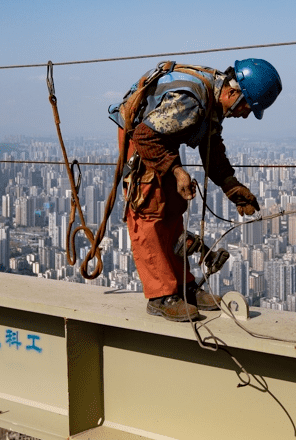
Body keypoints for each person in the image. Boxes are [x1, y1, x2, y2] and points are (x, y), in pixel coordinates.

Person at [108, 59, 282, 321]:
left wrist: (230, 185)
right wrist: (177, 170)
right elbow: (144, 136)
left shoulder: (213, 98)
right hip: (142, 142)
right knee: (149, 212)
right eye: (247, 106)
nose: (245, 114)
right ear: (232, 93)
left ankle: (183, 286)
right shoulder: (192, 102)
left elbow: (210, 144)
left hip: (160, 142)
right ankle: (161, 295)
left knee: (174, 209)